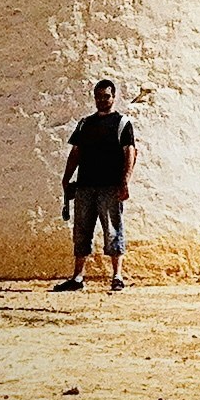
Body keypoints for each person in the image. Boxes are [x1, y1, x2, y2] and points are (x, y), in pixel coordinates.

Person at [56, 79, 137, 291]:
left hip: (110, 186)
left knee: (113, 230)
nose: (102, 100)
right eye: (99, 97)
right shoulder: (85, 124)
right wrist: (66, 178)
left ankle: (117, 276)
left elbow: (130, 152)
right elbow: (76, 152)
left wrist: (125, 181)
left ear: (114, 97)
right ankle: (77, 278)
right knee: (81, 231)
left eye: (106, 96)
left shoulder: (122, 123)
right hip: (85, 186)